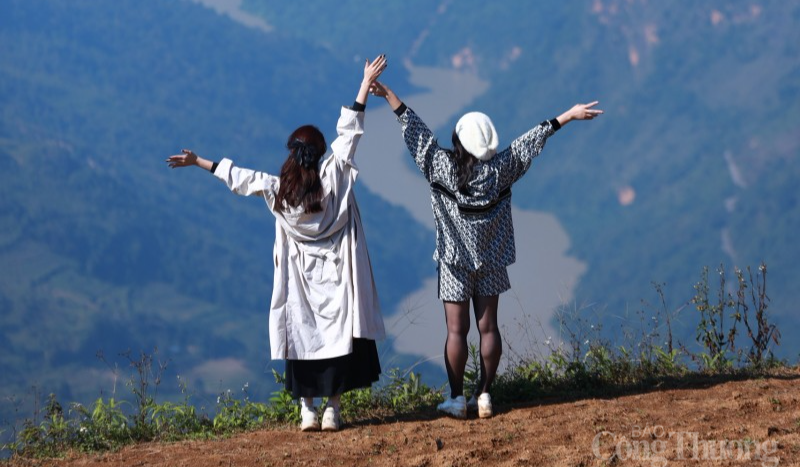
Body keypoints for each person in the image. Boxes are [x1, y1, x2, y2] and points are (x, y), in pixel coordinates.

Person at [166, 55, 388, 433]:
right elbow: (350, 134)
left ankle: (308, 411)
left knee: (303, 337)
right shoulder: (334, 179)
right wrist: (365, 84)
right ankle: (333, 409)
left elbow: (239, 177)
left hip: (301, 281)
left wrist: (197, 161)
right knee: (338, 340)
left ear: (291, 156)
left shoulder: (277, 193)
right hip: (338, 278)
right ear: (319, 154)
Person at [370, 79, 602, 419]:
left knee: (455, 331)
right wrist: (567, 115)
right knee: (488, 329)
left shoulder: (442, 168)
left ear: (459, 142)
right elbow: (531, 141)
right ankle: (485, 396)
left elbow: (417, 136)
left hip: (453, 263)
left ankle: (456, 398)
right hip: (491, 262)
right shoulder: (501, 170)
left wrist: (390, 96)